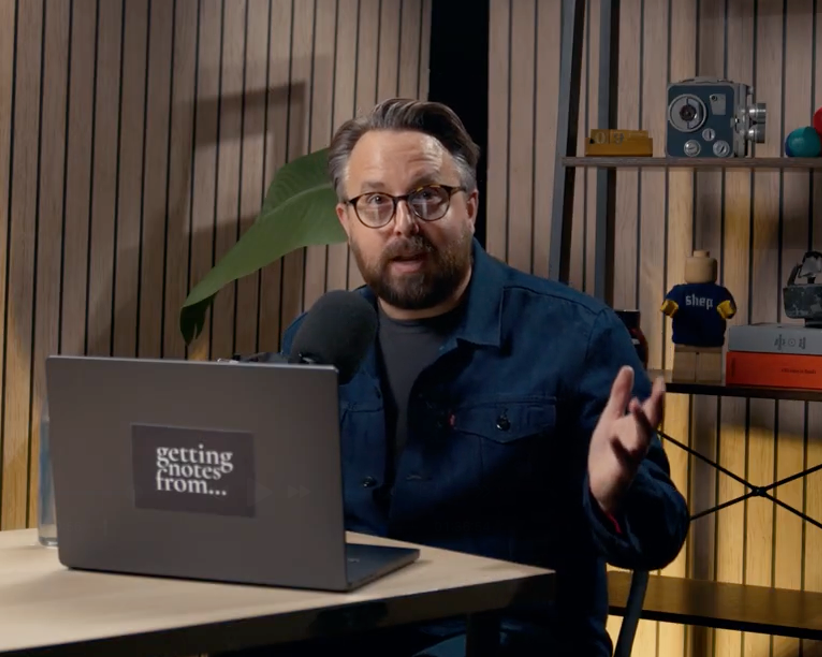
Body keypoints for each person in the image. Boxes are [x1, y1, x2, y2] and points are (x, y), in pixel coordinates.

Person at [276, 99, 688, 656]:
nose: (403, 223)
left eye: (427, 196)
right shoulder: (317, 338)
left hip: (504, 637)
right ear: (346, 220)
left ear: (469, 206)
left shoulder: (578, 334)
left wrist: (613, 492)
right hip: (341, 631)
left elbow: (659, 535)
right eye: (376, 201)